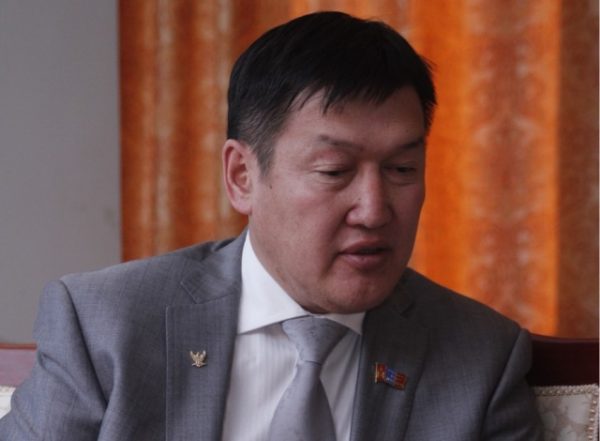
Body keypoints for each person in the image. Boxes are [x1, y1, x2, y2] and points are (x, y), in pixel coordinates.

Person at [0, 11, 542, 441]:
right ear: (242, 176)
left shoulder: (480, 359)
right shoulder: (106, 325)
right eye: (334, 171)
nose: (374, 210)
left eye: (402, 169)